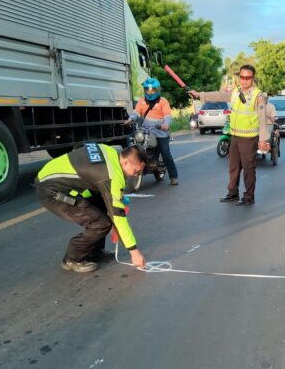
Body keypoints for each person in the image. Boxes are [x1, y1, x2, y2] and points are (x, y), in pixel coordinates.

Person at [35, 144, 148, 273]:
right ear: (126, 162)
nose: (136, 175)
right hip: (52, 191)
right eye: (136, 171)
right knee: (101, 224)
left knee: (102, 208)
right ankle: (71, 259)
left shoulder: (111, 152)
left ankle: (95, 252)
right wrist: (134, 252)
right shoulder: (111, 177)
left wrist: (115, 200)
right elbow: (118, 216)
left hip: (53, 178)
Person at [188, 65, 270, 205]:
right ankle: (232, 193)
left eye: (248, 78)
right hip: (235, 136)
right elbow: (219, 95)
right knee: (233, 167)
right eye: (242, 77)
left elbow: (262, 120)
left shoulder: (258, 96)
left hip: (249, 138)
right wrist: (200, 95)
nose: (244, 80)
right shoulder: (235, 92)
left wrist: (263, 140)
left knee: (248, 168)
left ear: (253, 78)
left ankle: (249, 197)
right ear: (239, 78)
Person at [129, 77, 179, 185]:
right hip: (146, 130)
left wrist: (165, 124)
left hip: (160, 131)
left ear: (157, 90)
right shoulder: (142, 101)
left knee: (166, 153)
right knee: (133, 145)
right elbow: (136, 113)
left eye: (152, 90)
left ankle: (173, 176)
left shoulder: (163, 102)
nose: (150, 92)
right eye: (147, 89)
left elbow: (167, 116)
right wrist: (131, 119)